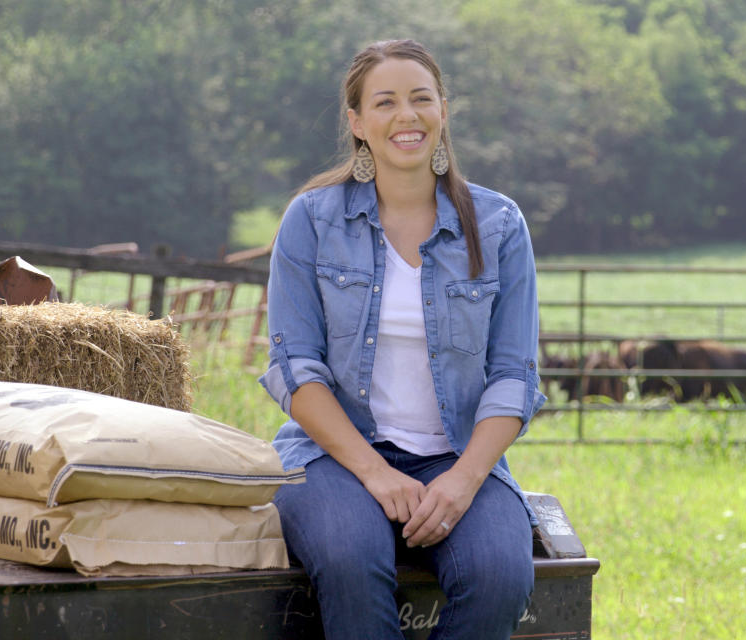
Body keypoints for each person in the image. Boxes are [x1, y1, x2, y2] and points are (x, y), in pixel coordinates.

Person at [259, 39, 546, 640]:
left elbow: (514, 376)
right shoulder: (311, 221)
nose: (406, 116)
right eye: (385, 102)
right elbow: (295, 368)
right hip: (333, 456)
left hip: (456, 454)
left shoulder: (498, 226)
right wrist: (377, 475)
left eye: (421, 98)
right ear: (358, 123)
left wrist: (464, 479)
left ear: (444, 109)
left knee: (500, 574)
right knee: (349, 558)